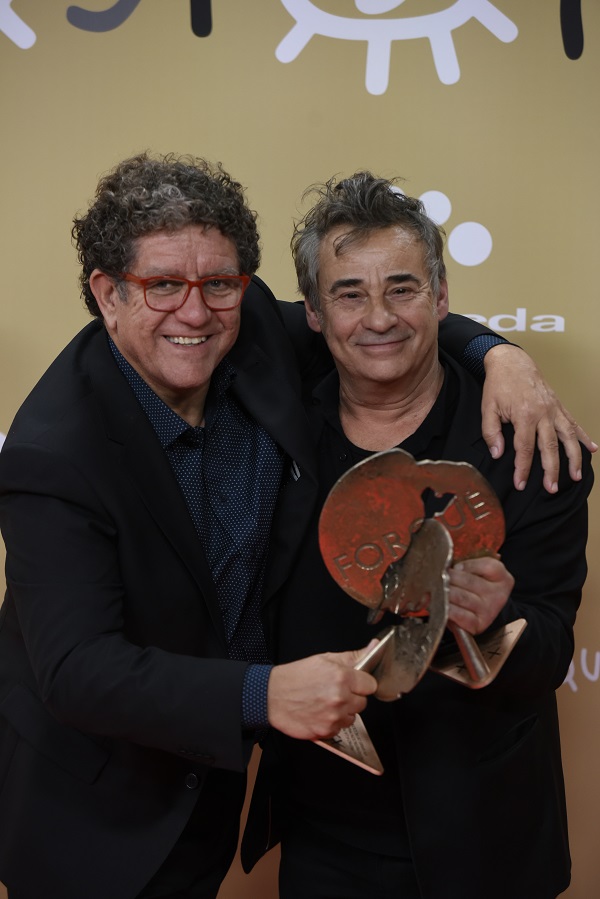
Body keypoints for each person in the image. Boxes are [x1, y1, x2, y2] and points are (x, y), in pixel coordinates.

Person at [0, 154, 590, 899]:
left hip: (472, 834)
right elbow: (76, 669)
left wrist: (500, 353)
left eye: (219, 284)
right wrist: (264, 695)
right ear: (107, 293)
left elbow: (383, 314)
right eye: (161, 285)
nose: (194, 312)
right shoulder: (55, 451)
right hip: (104, 810)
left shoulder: (251, 335)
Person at [244, 173, 594, 899]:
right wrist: (496, 347)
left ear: (440, 298)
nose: (379, 317)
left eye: (402, 288)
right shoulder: (272, 431)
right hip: (321, 837)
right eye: (349, 294)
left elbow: (551, 649)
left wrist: (495, 624)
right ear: (314, 314)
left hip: (485, 841)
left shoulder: (529, 446)